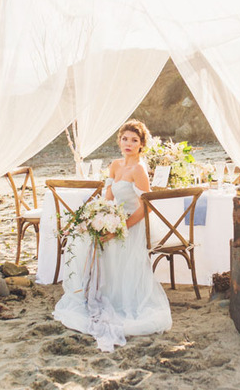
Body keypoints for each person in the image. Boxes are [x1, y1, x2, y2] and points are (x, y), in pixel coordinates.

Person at [53, 119, 172, 351]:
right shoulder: (116, 165)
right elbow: (108, 198)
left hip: (132, 224)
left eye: (134, 140)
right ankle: (93, 294)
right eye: (125, 139)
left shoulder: (139, 170)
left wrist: (121, 228)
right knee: (86, 240)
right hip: (114, 219)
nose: (128, 143)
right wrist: (96, 219)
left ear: (141, 145)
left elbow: (145, 207)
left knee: (120, 254)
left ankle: (122, 302)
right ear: (119, 141)